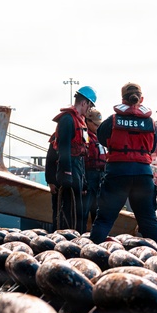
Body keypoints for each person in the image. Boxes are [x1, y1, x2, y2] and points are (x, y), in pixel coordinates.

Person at [90, 81, 157, 246]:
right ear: (141, 99)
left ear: (123, 99)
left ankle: (92, 250)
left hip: (118, 173)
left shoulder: (113, 120)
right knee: (148, 219)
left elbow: (101, 138)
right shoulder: (150, 123)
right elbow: (152, 147)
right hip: (143, 174)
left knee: (105, 219)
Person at [46, 85, 96, 231]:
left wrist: (83, 180)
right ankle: (63, 237)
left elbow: (80, 153)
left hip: (77, 169)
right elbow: (63, 148)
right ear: (84, 103)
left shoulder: (80, 121)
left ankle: (76, 236)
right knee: (67, 211)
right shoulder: (68, 120)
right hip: (68, 169)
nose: (89, 109)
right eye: (90, 106)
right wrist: (66, 173)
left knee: (77, 212)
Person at [83, 108, 107, 229]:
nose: (98, 127)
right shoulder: (85, 137)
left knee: (98, 209)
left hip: (100, 176)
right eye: (96, 125)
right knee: (85, 208)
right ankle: (81, 231)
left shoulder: (98, 138)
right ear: (88, 121)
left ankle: (95, 232)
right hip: (89, 176)